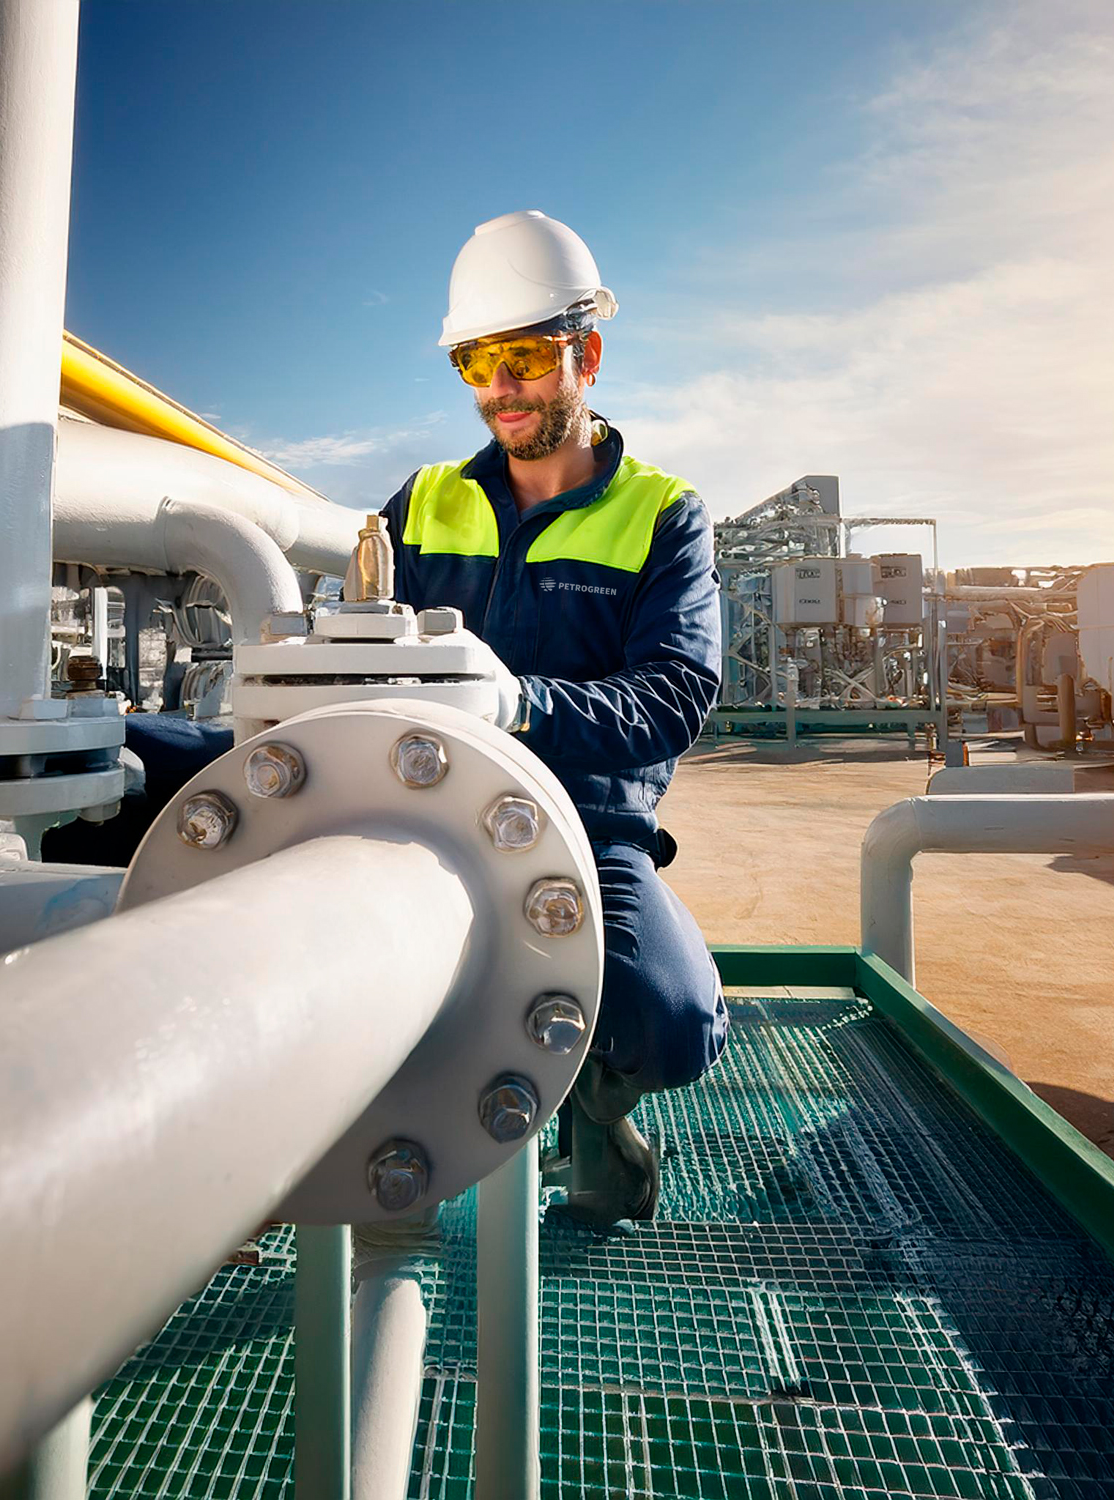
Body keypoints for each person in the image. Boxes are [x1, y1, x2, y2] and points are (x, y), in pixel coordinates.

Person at [379, 210, 727, 1223]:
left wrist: (520, 704)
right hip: (435, 804)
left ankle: (589, 1112)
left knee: (672, 1022)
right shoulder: (424, 502)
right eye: (474, 363)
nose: (500, 389)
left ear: (589, 355)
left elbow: (674, 694)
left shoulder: (662, 512)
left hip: (585, 824)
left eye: (525, 357)